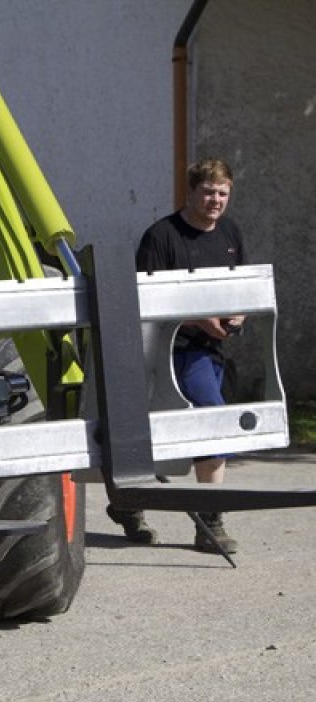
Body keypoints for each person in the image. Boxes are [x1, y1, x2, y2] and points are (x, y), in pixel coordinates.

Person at [107, 157, 246, 554]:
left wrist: (237, 317)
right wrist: (201, 321)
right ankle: (211, 524)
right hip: (169, 353)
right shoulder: (162, 236)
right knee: (212, 424)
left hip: (213, 352)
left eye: (222, 193)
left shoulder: (231, 232)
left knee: (165, 435)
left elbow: (242, 286)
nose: (215, 200)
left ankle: (126, 504)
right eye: (208, 192)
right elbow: (144, 304)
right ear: (190, 192)